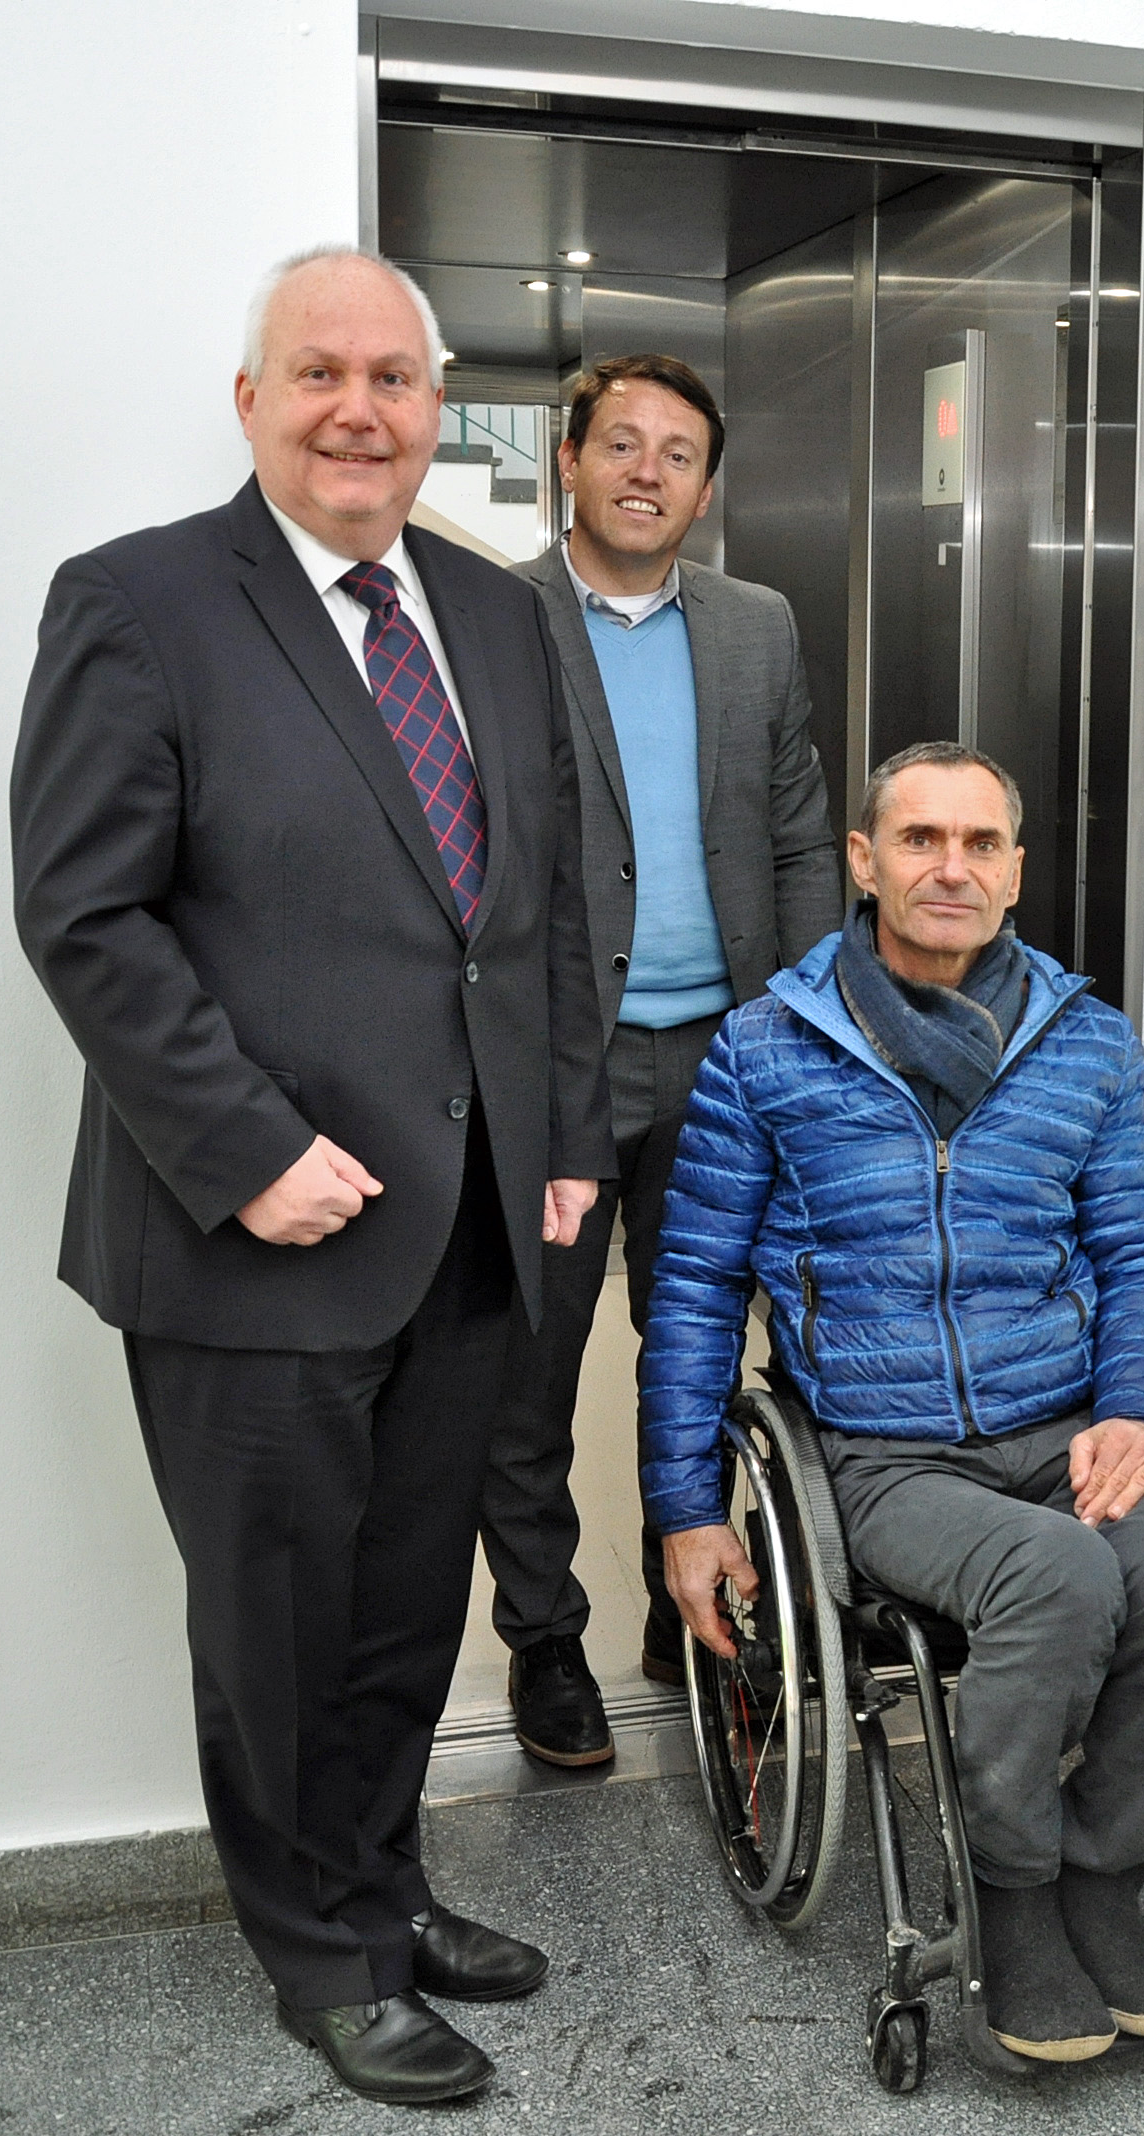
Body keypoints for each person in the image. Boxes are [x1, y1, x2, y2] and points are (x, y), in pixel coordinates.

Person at [8, 244, 612, 2107]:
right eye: (320, 374)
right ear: (252, 399)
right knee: (278, 1625)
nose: (361, 410)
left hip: (470, 1226)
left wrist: (565, 1141)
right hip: (251, 1239)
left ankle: (385, 1888)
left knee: (407, 1606)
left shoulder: (497, 610)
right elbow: (85, 915)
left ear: (438, 406)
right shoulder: (139, 604)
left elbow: (549, 906)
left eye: (395, 378)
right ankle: (322, 1958)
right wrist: (249, 1150)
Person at [640, 742, 1144, 2065]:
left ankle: (1104, 1873)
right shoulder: (768, 1048)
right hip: (883, 1454)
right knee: (1058, 1580)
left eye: (980, 843)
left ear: (1017, 871)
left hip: (1064, 1426)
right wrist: (685, 1508)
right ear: (865, 861)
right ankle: (1015, 1892)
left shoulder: (1087, 1044)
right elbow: (692, 1287)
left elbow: (1141, 1252)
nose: (951, 868)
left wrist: (1140, 1408)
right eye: (920, 839)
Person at [482, 354, 836, 1767]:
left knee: (700, 1353)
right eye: (619, 444)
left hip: (726, 1059)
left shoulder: (759, 625)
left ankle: (683, 1611)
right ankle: (544, 1640)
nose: (647, 471)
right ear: (568, 460)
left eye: (678, 453)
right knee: (530, 1365)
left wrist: (803, 1026)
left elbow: (799, 833)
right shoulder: (491, 617)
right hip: (553, 1068)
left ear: (705, 486)